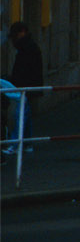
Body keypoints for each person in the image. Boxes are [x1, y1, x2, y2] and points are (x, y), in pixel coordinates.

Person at [6, 22, 43, 153]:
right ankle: (27, 143)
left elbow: (23, 69)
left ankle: (17, 144)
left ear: (22, 32)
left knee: (20, 115)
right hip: (29, 85)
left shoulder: (26, 48)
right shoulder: (29, 46)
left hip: (25, 86)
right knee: (25, 114)